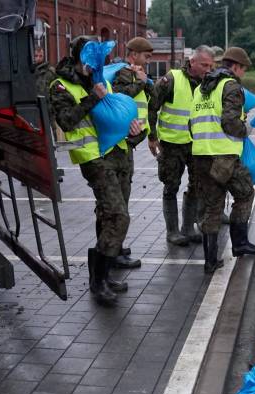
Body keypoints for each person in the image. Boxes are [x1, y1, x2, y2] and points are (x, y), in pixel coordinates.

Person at [49, 36, 142, 305]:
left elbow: (114, 115)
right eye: (90, 62)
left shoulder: (102, 78)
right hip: (94, 158)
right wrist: (92, 97)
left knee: (108, 215)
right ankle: (97, 281)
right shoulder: (60, 85)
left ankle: (102, 273)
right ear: (79, 59)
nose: (94, 67)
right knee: (118, 216)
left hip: (119, 153)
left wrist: (133, 131)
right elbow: (66, 122)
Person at [190, 47, 255, 273]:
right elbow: (230, 122)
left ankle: (210, 261)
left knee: (212, 206)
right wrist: (249, 127)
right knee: (245, 192)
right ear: (236, 67)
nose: (243, 73)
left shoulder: (202, 88)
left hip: (200, 155)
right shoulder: (231, 86)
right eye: (243, 69)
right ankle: (240, 244)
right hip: (223, 157)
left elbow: (191, 125)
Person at [148, 45, 216, 246]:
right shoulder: (172, 78)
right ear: (192, 61)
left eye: (211, 65)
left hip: (197, 144)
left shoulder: (208, 83)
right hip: (171, 144)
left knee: (196, 185)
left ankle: (188, 227)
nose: (208, 69)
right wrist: (152, 136)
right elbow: (152, 106)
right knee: (171, 186)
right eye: (204, 64)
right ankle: (172, 231)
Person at [106, 37, 155, 269]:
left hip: (128, 146)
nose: (148, 61)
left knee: (123, 201)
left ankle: (117, 246)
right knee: (115, 206)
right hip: (117, 147)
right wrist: (142, 82)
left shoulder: (138, 75)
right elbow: (120, 96)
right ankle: (111, 251)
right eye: (145, 56)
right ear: (133, 54)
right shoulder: (123, 74)